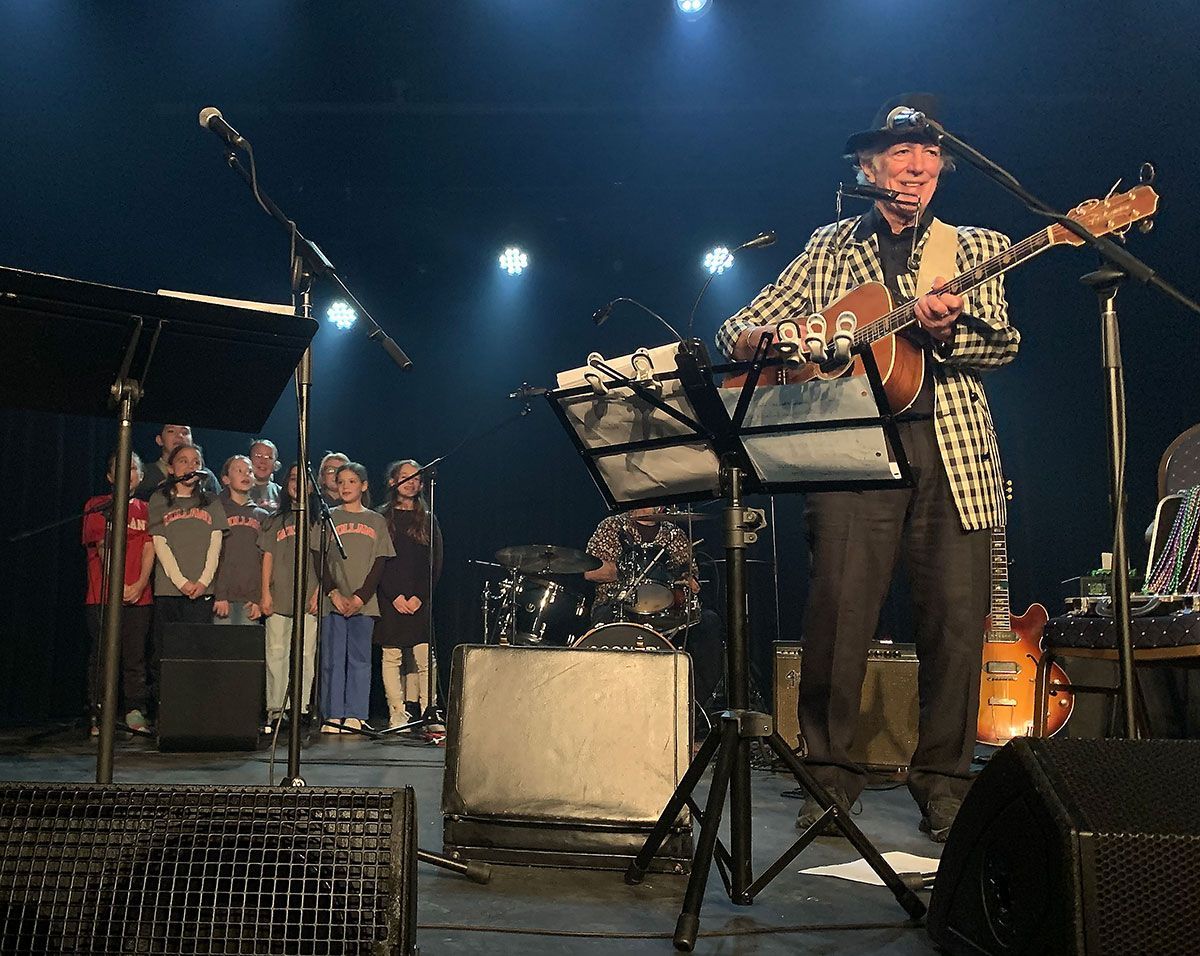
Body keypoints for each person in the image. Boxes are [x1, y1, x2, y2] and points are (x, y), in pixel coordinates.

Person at [715, 93, 1020, 842]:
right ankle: (829, 779)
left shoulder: (975, 245)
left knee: (954, 624)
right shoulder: (829, 246)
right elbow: (739, 325)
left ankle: (944, 784)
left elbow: (1003, 345)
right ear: (868, 165)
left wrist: (948, 335)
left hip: (951, 454)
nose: (916, 166)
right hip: (850, 448)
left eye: (929, 155)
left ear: (943, 167)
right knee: (837, 617)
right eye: (899, 153)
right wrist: (769, 341)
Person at [584, 507, 725, 716]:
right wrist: (627, 570)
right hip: (618, 605)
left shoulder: (673, 533)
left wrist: (687, 581)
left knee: (709, 623)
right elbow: (590, 571)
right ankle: (608, 707)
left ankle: (689, 709)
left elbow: (690, 576)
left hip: (667, 611)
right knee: (604, 619)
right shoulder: (612, 526)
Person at [313, 462, 394, 734]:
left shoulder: (376, 520)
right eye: (341, 481)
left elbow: (380, 561)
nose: (345, 487)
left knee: (359, 659)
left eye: (351, 481)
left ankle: (355, 714)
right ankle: (333, 713)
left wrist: (360, 597)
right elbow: (318, 557)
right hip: (334, 600)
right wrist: (332, 592)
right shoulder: (328, 518)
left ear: (364, 485)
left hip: (364, 602)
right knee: (333, 658)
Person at [147, 443, 228, 709]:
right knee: (165, 653)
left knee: (197, 652)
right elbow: (160, 544)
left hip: (202, 590)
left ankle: (194, 710)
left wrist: (203, 582)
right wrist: (181, 582)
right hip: (169, 590)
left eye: (196, 461)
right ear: (171, 468)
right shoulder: (159, 499)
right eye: (183, 461)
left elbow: (215, 545)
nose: (190, 466)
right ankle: (166, 709)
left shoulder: (212, 501)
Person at [82, 451, 154, 735]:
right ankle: (98, 713)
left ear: (141, 475)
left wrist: (138, 585)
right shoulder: (97, 506)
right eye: (121, 469)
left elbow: (150, 547)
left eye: (133, 468)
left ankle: (135, 711)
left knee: (134, 658)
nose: (128, 474)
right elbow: (102, 546)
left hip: (140, 596)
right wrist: (118, 584)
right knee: (102, 656)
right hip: (102, 596)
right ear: (110, 476)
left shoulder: (146, 509)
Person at [374, 460, 444, 738]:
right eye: (405, 477)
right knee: (391, 656)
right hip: (391, 598)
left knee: (424, 657)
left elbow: (435, 562)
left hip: (419, 599)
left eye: (416, 478)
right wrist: (395, 596)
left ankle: (430, 712)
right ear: (393, 481)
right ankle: (396, 713)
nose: (411, 482)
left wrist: (419, 596)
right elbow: (379, 561)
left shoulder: (428, 517)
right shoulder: (381, 517)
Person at [259, 464, 319, 730]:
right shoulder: (275, 519)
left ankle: (301, 707)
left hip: (309, 595)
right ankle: (276, 709)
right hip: (279, 593)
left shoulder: (318, 519)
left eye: (303, 479)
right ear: (286, 484)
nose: (298, 483)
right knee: (276, 652)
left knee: (306, 653)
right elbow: (267, 558)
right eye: (293, 478)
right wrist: (264, 593)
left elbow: (324, 560)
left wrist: (319, 592)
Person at [213, 455, 269, 627]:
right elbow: (213, 554)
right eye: (239, 470)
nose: (246, 474)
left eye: (249, 471)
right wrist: (219, 594)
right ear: (226, 479)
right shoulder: (217, 510)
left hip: (250, 600)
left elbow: (264, 559)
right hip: (223, 598)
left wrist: (258, 598)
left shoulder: (262, 516)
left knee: (245, 650)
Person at [135, 424, 220, 499]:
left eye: (185, 433)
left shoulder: (205, 475)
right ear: (159, 440)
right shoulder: (145, 473)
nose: (179, 435)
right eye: (171, 431)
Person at [248, 439, 282, 512]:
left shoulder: (282, 493)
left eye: (269, 457)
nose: (263, 462)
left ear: (275, 464)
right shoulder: (236, 490)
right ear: (248, 460)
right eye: (258, 456)